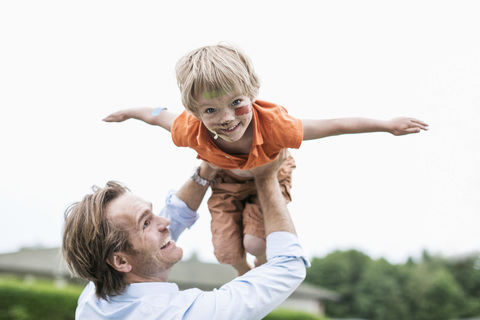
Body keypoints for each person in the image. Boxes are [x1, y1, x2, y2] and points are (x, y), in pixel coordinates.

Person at [103, 43, 429, 275]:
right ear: (195, 112)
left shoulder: (275, 125)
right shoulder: (189, 129)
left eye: (237, 103)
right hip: (226, 183)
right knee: (226, 252)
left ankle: (262, 265)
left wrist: (387, 126)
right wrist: (129, 112)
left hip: (270, 174)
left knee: (256, 243)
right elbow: (156, 114)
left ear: (253, 91)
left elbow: (334, 125)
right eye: (211, 110)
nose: (228, 118)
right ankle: (244, 273)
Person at [62, 152, 308, 319]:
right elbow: (289, 266)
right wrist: (266, 178)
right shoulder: (185, 314)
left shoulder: (94, 302)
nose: (165, 221)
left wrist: (207, 169)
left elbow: (170, 220)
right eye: (146, 222)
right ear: (121, 262)